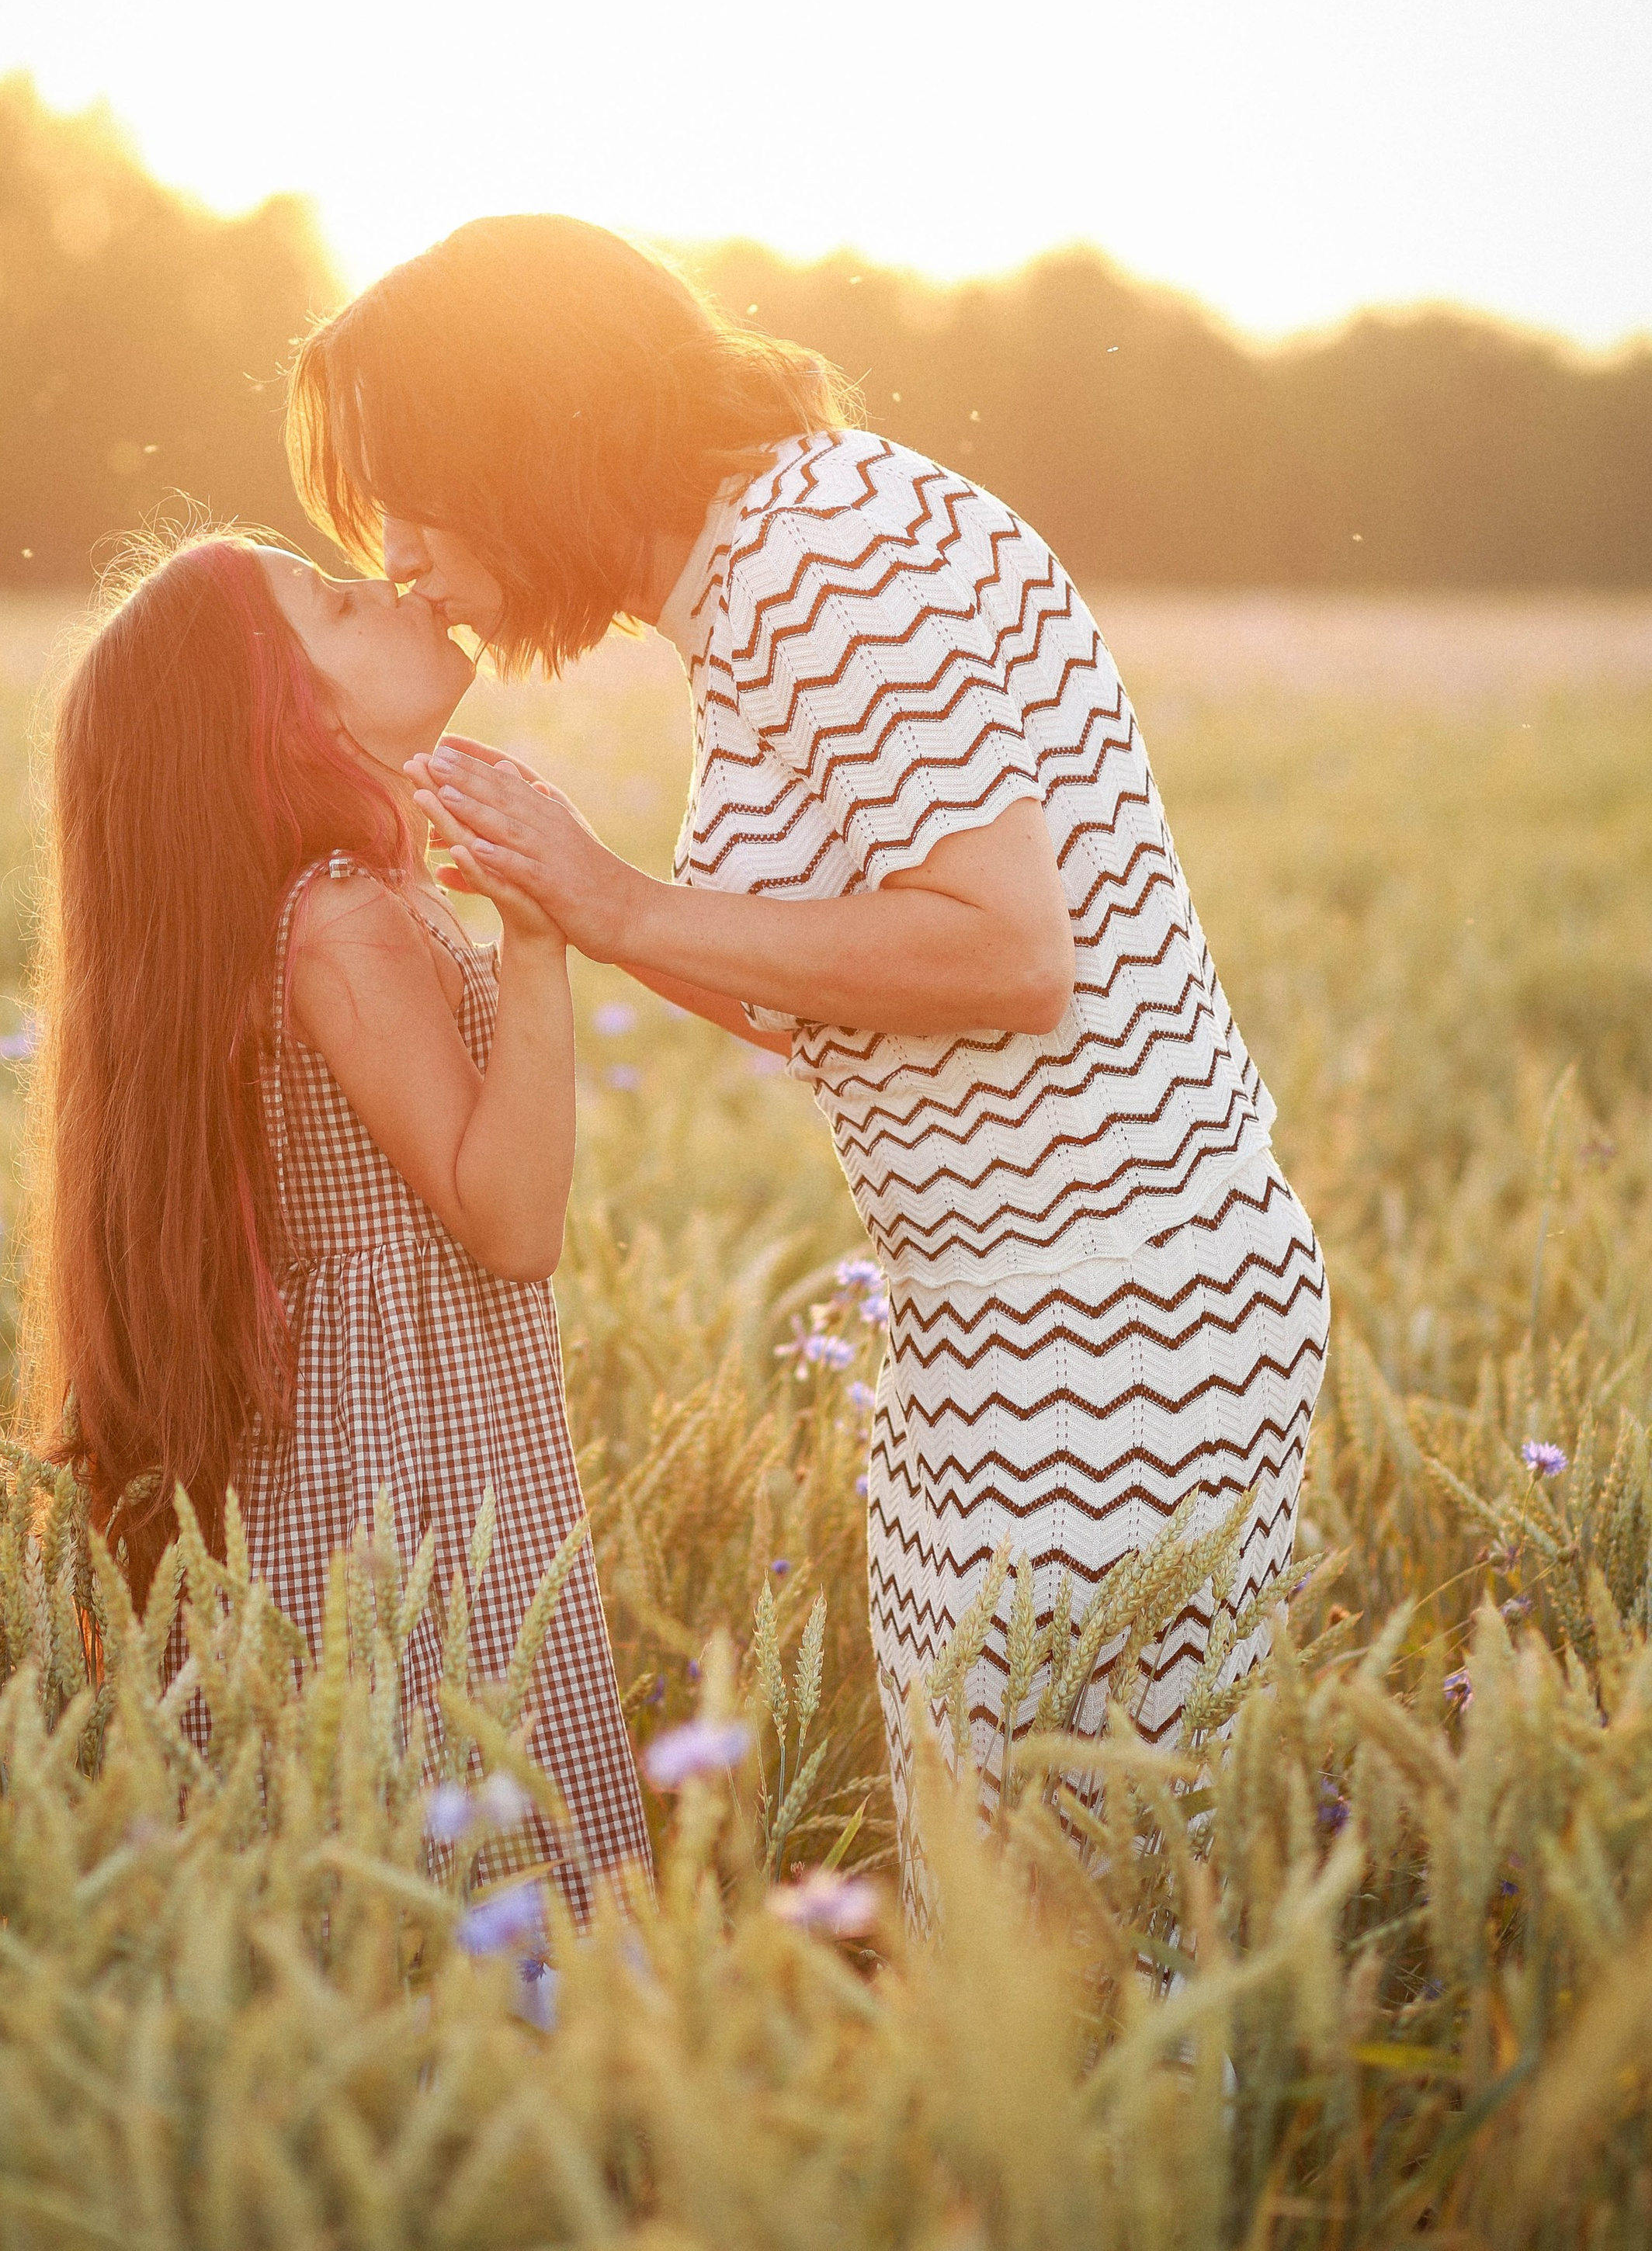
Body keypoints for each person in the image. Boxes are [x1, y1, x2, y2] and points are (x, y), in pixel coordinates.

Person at [286, 214, 1331, 1885]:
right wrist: (557, 908)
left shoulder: (828, 546)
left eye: (408, 490)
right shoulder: (752, 577)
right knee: (1003, 1937)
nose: (394, 552)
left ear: (521, 438)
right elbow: (803, 990)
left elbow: (1000, 953)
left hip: (1109, 1321)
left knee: (1070, 1958)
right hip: (988, 1323)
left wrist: (613, 900)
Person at [16, 525, 651, 1913]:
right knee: (459, 1867)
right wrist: (541, 946)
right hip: (407, 1479)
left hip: (363, 1444)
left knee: (370, 1885)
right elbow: (512, 1222)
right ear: (284, 709)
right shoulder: (343, 915)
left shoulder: (339, 901)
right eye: (334, 599)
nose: (391, 586)